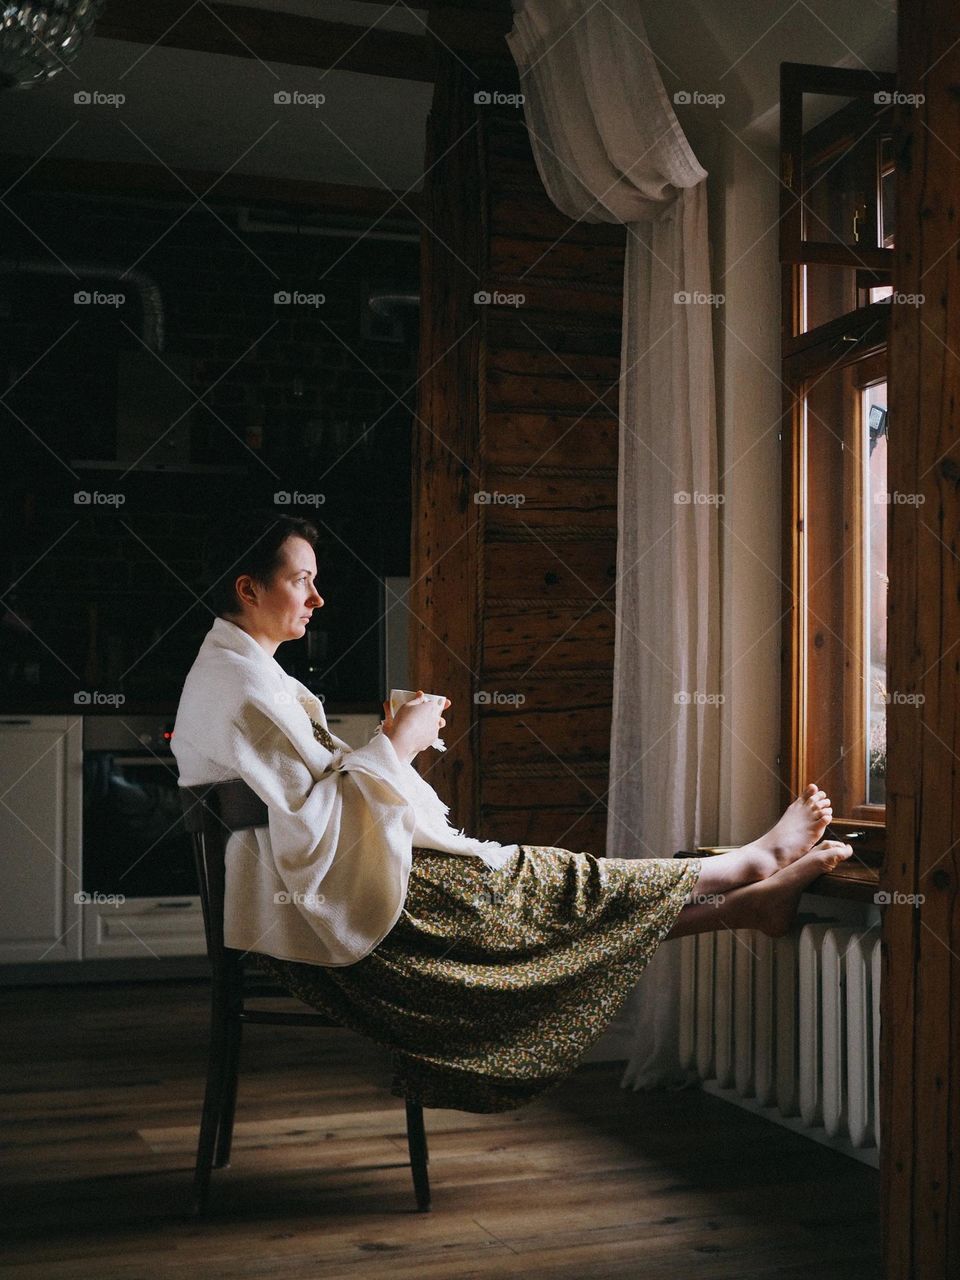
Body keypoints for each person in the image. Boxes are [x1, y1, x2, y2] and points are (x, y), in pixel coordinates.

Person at [172, 511, 853, 1114]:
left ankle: (742, 904)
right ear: (249, 588)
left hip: (305, 906)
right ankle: (746, 867)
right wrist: (394, 746)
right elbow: (315, 828)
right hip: (330, 926)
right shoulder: (245, 689)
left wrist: (383, 753)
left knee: (547, 896)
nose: (318, 598)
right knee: (553, 887)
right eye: (302, 581)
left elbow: (306, 805)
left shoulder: (236, 669)